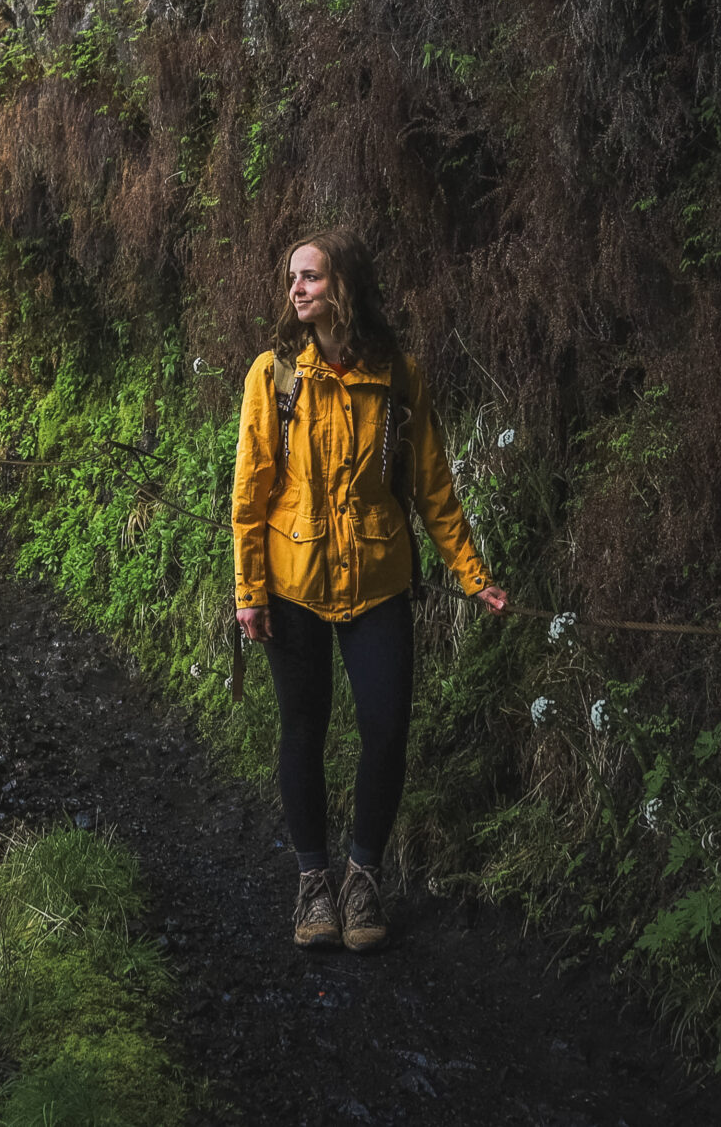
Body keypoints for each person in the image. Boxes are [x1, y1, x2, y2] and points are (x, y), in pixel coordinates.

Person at [230, 230, 509, 952]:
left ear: (343, 287)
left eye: (312, 277)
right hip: (293, 583)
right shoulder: (273, 376)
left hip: (380, 577)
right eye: (293, 277)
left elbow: (432, 488)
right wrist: (249, 590)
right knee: (304, 729)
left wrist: (473, 575)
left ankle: (362, 876)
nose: (297, 289)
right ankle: (312, 881)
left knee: (386, 728)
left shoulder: (398, 376)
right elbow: (250, 493)